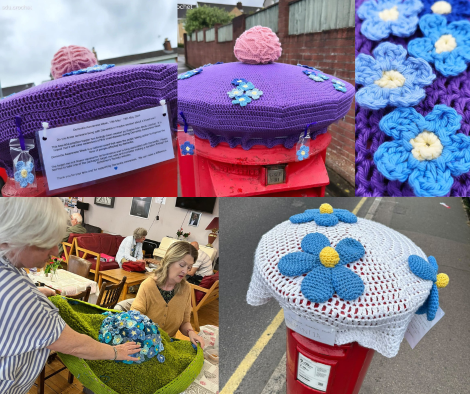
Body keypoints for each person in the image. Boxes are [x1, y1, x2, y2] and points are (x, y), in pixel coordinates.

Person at [0, 198, 141, 394]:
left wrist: (35, 293)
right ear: (14, 237)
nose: (53, 251)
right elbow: (75, 345)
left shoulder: (8, 265)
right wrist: (116, 352)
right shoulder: (20, 298)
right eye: (46, 243)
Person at [131, 241, 206, 349]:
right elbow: (134, 319)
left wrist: (191, 332)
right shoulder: (148, 285)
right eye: (182, 265)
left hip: (168, 345)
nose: (185, 271)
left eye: (189, 267)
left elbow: (184, 322)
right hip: (143, 344)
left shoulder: (186, 289)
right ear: (169, 261)